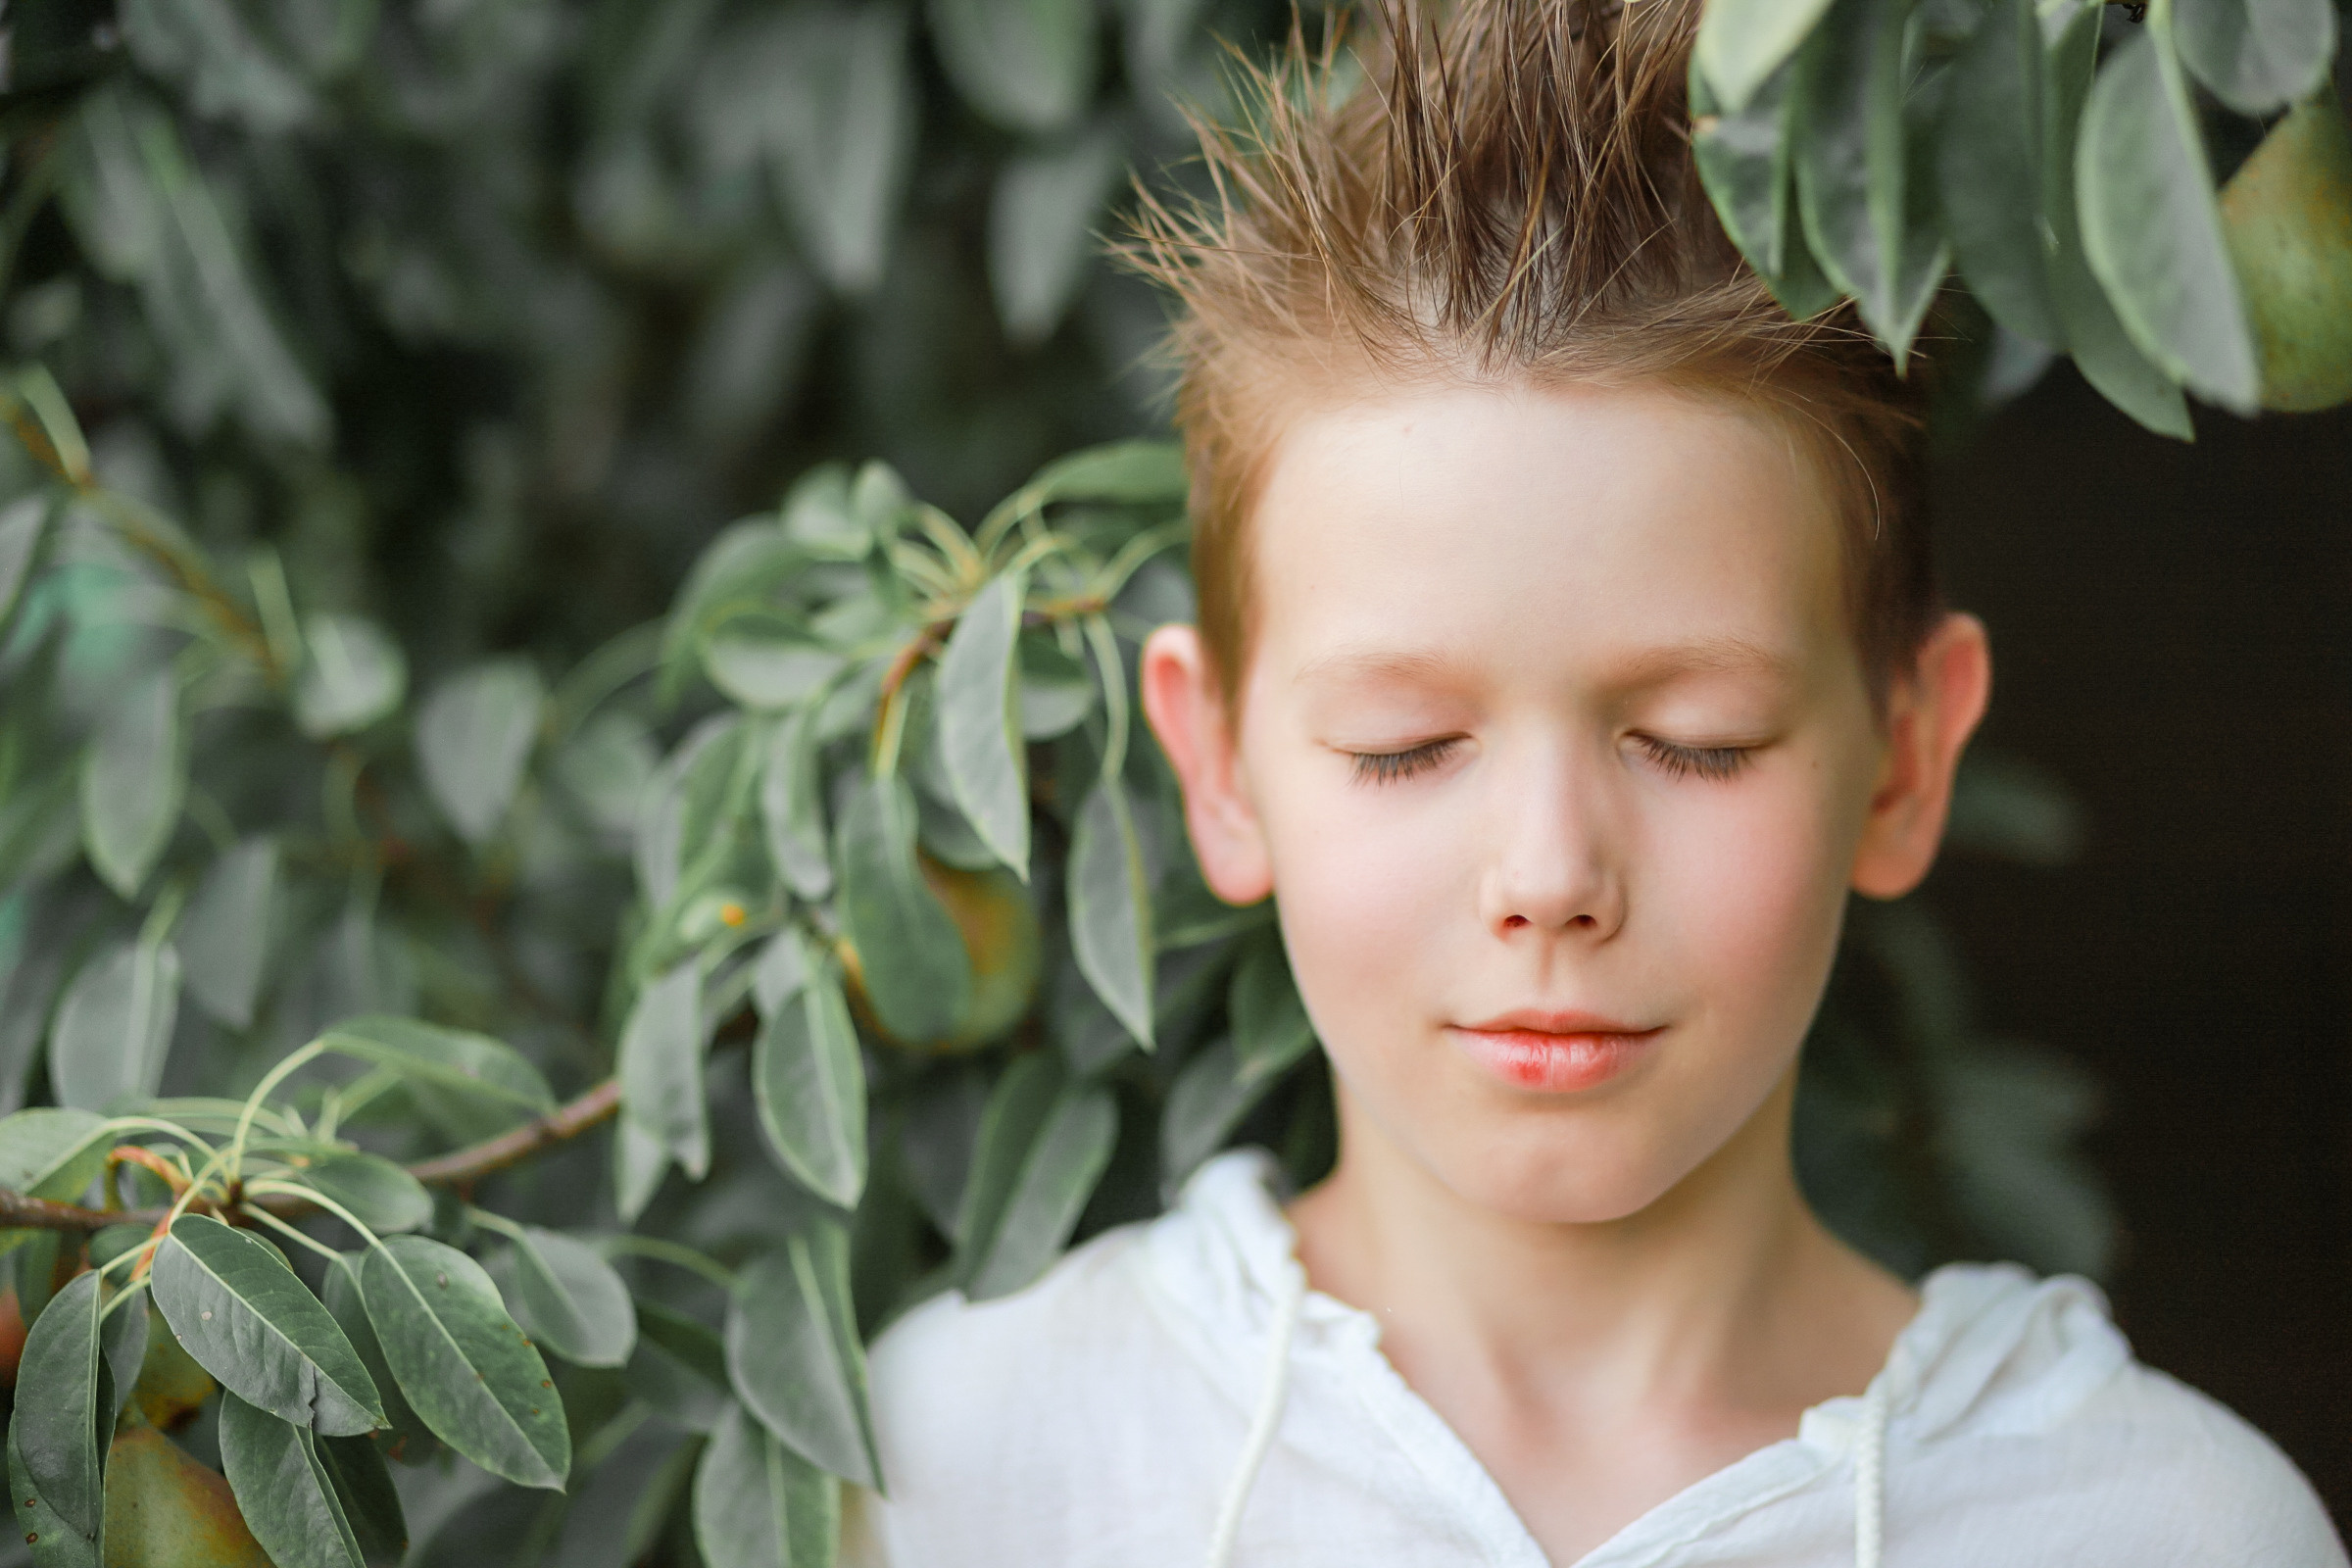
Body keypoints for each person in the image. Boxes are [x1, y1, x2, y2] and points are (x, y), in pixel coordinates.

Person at [840, 2, 2347, 1563]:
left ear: (1905, 758)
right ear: (1219, 768)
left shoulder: (2168, 1532)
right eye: (1402, 746)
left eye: (1699, 738)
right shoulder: (966, 1467)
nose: (1551, 876)